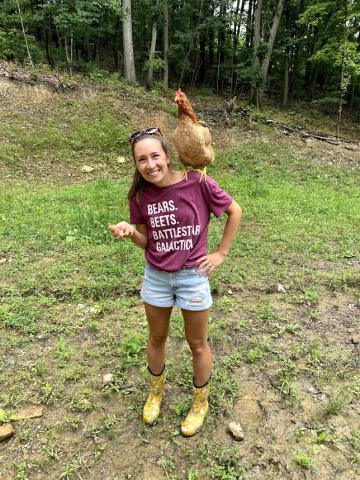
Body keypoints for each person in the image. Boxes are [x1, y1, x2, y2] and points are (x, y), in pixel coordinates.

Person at [109, 127, 242, 437]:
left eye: (155, 156)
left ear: (167, 157)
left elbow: (235, 211)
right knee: (156, 339)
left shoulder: (197, 182)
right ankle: (155, 393)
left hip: (192, 277)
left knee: (197, 344)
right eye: (142, 159)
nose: (150, 164)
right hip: (156, 277)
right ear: (136, 164)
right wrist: (131, 232)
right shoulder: (140, 195)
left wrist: (220, 253)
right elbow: (146, 241)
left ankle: (200, 402)